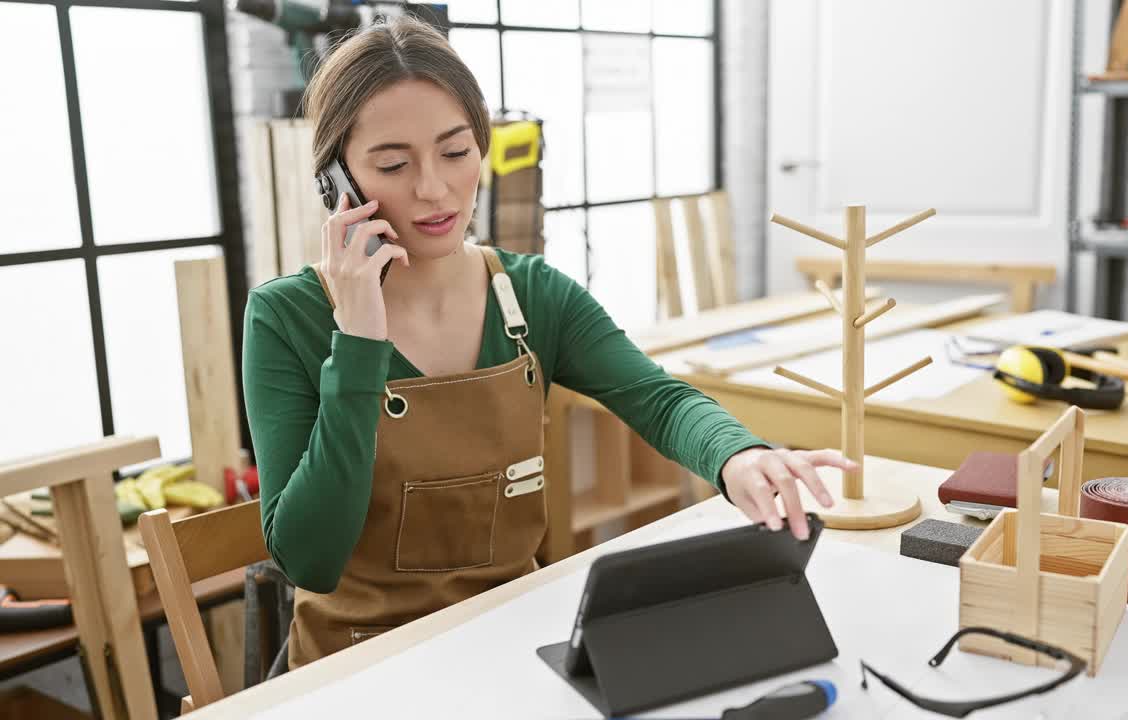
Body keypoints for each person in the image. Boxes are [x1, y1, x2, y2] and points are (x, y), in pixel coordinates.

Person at [241, 16, 851, 669]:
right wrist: (359, 339)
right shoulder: (286, 318)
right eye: (393, 164)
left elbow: (660, 400)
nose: (434, 188)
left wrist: (738, 458)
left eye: (455, 152)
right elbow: (310, 559)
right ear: (337, 181)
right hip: (359, 668)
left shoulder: (533, 295)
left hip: (514, 644)